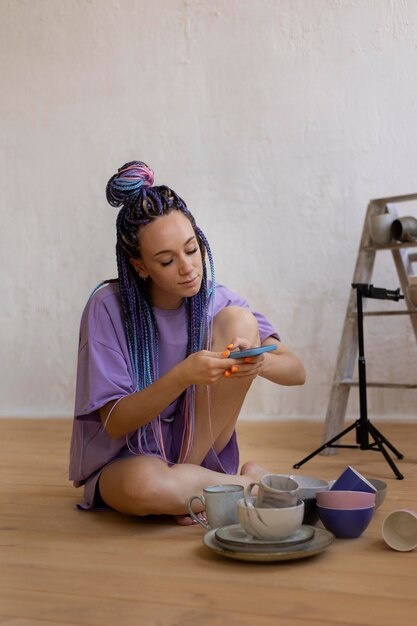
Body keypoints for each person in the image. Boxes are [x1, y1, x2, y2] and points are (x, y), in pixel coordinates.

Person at [69, 160, 306, 524]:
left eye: (192, 249)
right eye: (167, 260)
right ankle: (249, 484)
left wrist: (263, 363)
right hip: (129, 457)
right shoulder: (107, 307)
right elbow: (115, 423)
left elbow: (297, 371)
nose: (188, 268)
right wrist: (183, 375)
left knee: (239, 322)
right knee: (143, 486)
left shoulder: (217, 300)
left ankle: (190, 489)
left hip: (199, 448)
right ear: (140, 266)